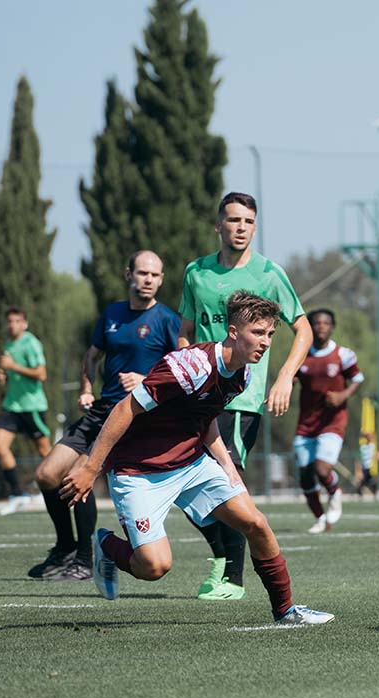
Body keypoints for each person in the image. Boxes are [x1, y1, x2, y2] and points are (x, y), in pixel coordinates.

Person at [59, 292, 332, 625]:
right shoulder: (189, 365)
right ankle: (106, 544)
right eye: (257, 333)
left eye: (270, 334)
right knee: (154, 567)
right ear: (233, 331)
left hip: (191, 464)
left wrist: (228, 465)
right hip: (139, 471)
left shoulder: (242, 374)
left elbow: (206, 419)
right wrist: (90, 467)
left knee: (257, 524)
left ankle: (286, 611)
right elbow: (125, 408)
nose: (266, 342)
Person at [178, 191, 312, 601]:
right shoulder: (195, 273)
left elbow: (302, 328)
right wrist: (183, 368)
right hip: (198, 394)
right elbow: (185, 329)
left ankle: (232, 577)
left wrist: (284, 377)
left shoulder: (269, 274)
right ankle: (222, 554)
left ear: (255, 226)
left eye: (248, 221)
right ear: (218, 225)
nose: (241, 227)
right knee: (181, 480)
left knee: (224, 475)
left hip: (240, 397)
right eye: (233, 220)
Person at [28, 251, 179, 581]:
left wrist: (146, 380)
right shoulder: (112, 314)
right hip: (99, 410)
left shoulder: (167, 320)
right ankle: (66, 547)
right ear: (129, 275)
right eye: (142, 273)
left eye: (155, 275)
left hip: (131, 416)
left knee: (79, 476)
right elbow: (92, 356)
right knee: (46, 475)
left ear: (161, 279)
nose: (148, 280)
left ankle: (85, 559)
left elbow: (182, 369)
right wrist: (86, 387)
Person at [293, 308, 364, 533]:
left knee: (322, 470)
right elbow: (291, 376)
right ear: (310, 327)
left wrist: (343, 395)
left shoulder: (343, 355)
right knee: (305, 475)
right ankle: (320, 518)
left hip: (333, 421)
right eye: (316, 323)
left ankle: (334, 492)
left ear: (332, 327)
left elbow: (357, 378)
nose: (321, 327)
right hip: (306, 423)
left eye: (325, 323)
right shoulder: (302, 354)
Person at [0, 307, 51, 515]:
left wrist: (13, 366)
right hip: (12, 406)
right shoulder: (9, 344)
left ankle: (58, 493)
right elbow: (9, 368)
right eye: (10, 321)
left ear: (25, 323)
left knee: (46, 453)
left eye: (17, 321)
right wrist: (4, 373)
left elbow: (41, 374)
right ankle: (18, 494)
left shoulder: (31, 343)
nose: (13, 325)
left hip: (32, 406)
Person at [356, 430, 377, 498]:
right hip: (365, 467)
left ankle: (375, 493)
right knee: (365, 481)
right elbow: (359, 460)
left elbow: (371, 439)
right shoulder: (363, 448)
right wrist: (359, 470)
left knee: (372, 481)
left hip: (370, 467)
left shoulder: (372, 446)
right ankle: (360, 493)